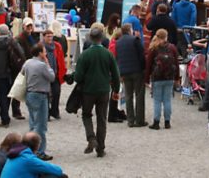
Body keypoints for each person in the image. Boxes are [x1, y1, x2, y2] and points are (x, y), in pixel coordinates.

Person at [74, 27, 120, 157]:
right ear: (102, 39)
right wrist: (116, 90)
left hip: (88, 91)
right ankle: (101, 148)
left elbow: (78, 77)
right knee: (102, 118)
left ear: (90, 38)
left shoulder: (85, 55)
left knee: (86, 115)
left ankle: (91, 138)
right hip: (104, 90)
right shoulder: (108, 54)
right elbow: (116, 74)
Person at [21, 43, 55, 161]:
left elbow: (22, 73)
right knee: (41, 125)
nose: (45, 53)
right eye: (44, 51)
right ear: (40, 53)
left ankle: (30, 147)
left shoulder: (27, 62)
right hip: (40, 94)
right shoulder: (42, 65)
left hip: (29, 93)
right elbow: (52, 77)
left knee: (32, 122)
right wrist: (47, 63)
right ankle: (40, 150)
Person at [145, 29, 180, 130]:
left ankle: (156, 122)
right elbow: (176, 64)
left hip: (157, 78)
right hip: (169, 78)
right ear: (166, 37)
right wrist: (177, 78)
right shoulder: (172, 47)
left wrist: (147, 79)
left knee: (157, 101)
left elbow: (148, 65)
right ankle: (167, 122)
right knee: (167, 100)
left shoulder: (153, 48)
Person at [0, 24, 23, 127]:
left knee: (2, 95)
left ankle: (4, 117)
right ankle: (5, 115)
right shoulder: (12, 42)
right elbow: (21, 53)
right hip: (12, 71)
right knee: (9, 93)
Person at [116, 23, 147, 128]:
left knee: (128, 96)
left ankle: (130, 120)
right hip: (137, 70)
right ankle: (140, 120)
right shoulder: (135, 40)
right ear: (130, 30)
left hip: (124, 71)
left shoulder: (118, 42)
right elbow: (142, 56)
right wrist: (143, 69)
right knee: (139, 95)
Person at [0, 132, 66, 178]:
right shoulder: (28, 159)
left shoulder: (15, 154)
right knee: (59, 176)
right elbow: (58, 170)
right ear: (37, 146)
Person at [42, 30, 67, 120]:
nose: (50, 38)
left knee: (56, 93)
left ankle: (55, 111)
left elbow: (60, 59)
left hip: (56, 73)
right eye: (48, 36)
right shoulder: (40, 46)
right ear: (44, 37)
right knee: (45, 95)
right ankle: (46, 113)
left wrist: (63, 71)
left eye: (51, 36)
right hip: (45, 75)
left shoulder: (57, 46)